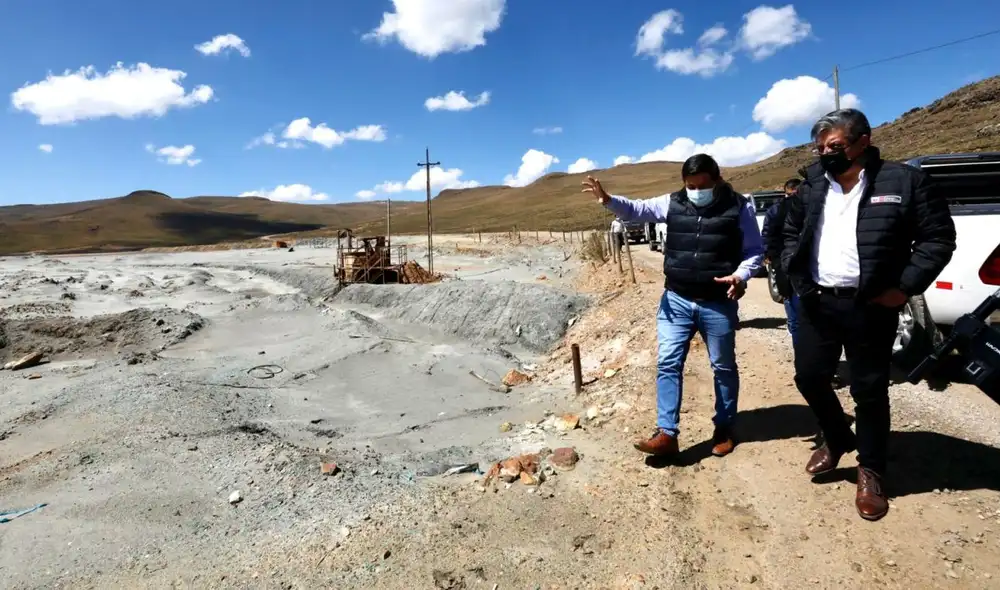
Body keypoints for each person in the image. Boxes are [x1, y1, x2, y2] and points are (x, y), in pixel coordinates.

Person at [781, 108, 956, 521]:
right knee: (809, 376)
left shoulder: (904, 181)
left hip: (871, 306)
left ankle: (872, 469)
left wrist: (904, 287)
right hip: (818, 301)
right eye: (820, 147)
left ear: (863, 141)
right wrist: (795, 274)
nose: (826, 153)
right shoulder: (811, 186)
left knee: (870, 390)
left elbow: (938, 238)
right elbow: (790, 233)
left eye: (835, 145)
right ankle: (839, 436)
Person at [583, 154, 764, 458]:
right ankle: (666, 433)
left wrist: (741, 275)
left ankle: (724, 428)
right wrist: (608, 200)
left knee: (723, 367)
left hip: (718, 303)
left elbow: (755, 251)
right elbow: (638, 209)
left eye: (702, 186)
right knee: (668, 363)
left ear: (717, 180)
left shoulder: (739, 206)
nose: (696, 191)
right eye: (690, 186)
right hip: (676, 300)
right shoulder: (673, 202)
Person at [762, 178, 802, 343]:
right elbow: (767, 233)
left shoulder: (775, 209)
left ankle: (795, 329)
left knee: (789, 295)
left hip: (786, 259)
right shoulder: (777, 210)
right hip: (785, 259)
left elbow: (767, 233)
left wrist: (768, 253)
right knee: (789, 294)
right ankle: (795, 331)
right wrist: (768, 253)